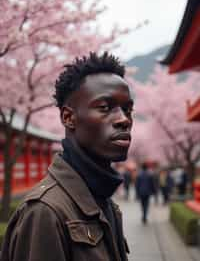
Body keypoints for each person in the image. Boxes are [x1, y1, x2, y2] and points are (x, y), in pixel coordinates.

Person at [1, 52, 133, 261]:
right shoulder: (46, 212)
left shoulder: (103, 200)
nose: (123, 119)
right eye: (105, 108)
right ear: (68, 117)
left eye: (127, 109)